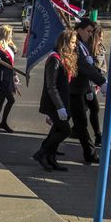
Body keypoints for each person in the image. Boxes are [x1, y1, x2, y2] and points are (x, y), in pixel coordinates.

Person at [33, 30, 78, 172]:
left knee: (56, 131)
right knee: (65, 130)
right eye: (72, 42)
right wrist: (59, 107)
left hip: (63, 102)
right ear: (64, 43)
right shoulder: (54, 59)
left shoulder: (63, 58)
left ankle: (51, 158)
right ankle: (41, 154)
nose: (74, 45)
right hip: (54, 104)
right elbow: (51, 86)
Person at [70, 18, 107, 164]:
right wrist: (102, 82)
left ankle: (46, 150)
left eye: (92, 31)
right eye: (89, 31)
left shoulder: (81, 44)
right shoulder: (76, 45)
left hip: (83, 87)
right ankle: (90, 152)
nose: (91, 34)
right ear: (80, 30)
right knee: (80, 123)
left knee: (75, 123)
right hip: (75, 88)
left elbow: (89, 66)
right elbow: (83, 67)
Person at [0, 25, 19, 133]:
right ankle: (3, 122)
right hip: (3, 79)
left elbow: (11, 64)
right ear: (6, 34)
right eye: (10, 33)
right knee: (11, 100)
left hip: (8, 77)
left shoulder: (9, 46)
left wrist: (14, 74)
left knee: (1, 100)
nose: (11, 35)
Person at [84, 25, 107, 147]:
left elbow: (103, 65)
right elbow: (91, 68)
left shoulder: (101, 48)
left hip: (97, 82)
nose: (101, 39)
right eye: (100, 36)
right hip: (88, 84)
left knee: (85, 109)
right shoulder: (87, 49)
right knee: (94, 109)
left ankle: (74, 129)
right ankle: (98, 136)